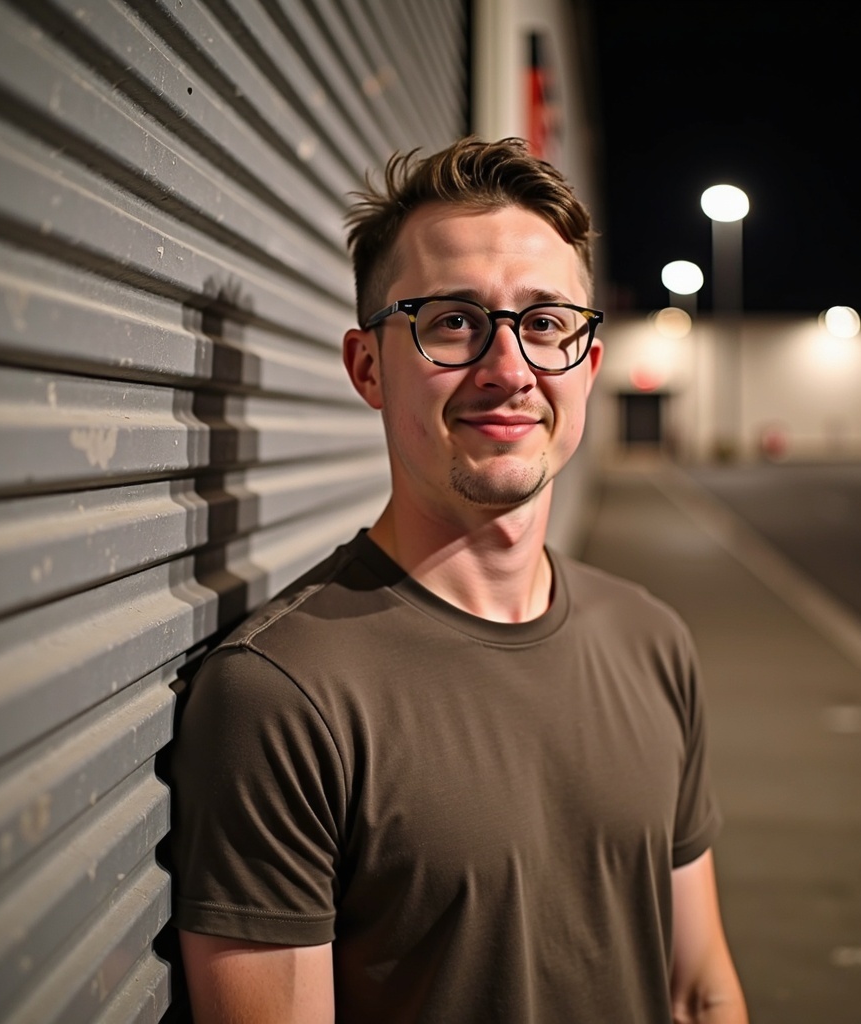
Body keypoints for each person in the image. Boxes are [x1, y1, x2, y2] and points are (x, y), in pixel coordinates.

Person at [170, 136, 748, 1023]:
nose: (510, 369)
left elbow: (699, 991)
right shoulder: (281, 696)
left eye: (547, 324)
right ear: (368, 366)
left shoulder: (650, 640)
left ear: (588, 367)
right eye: (452, 321)